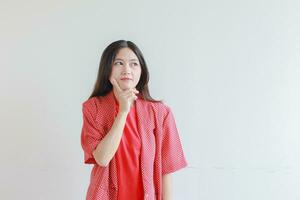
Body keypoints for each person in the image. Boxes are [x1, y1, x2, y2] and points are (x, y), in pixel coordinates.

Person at [80, 40, 188, 200]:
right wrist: (123, 111)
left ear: (141, 71)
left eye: (134, 64)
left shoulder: (160, 113)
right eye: (118, 63)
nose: (127, 70)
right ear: (107, 68)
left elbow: (166, 169)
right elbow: (102, 159)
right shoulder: (93, 108)